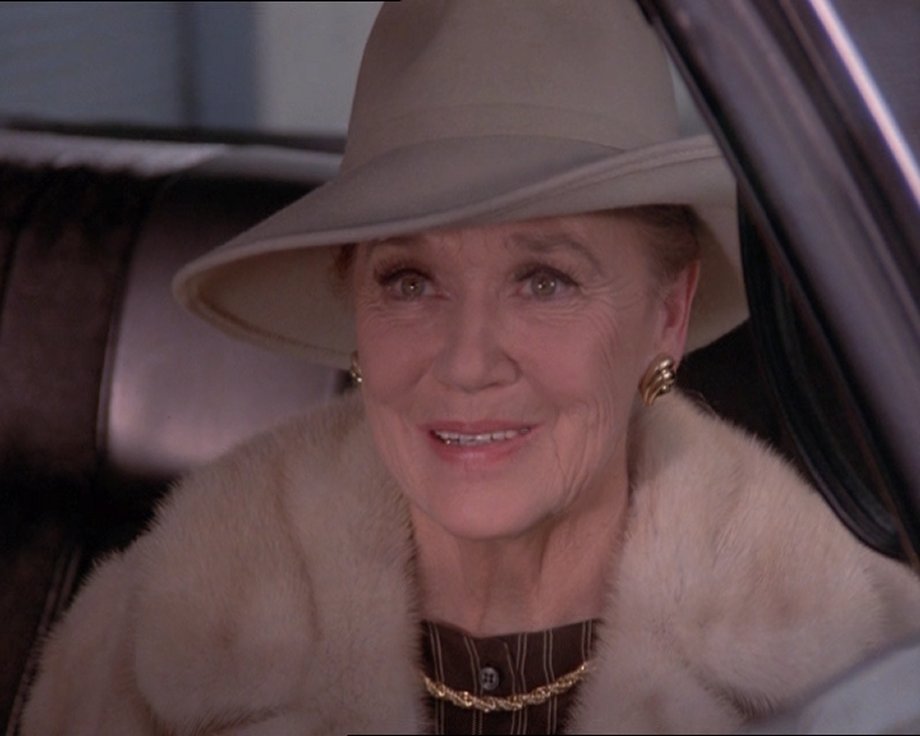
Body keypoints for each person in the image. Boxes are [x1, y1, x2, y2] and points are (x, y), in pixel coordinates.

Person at [22, 1, 920, 734]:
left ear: (667, 315)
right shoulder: (147, 648)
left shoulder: (872, 663)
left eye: (545, 280)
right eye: (410, 281)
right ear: (355, 312)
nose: (466, 361)